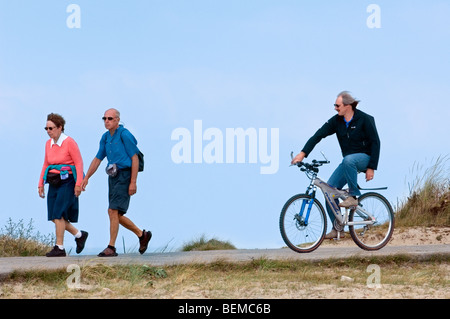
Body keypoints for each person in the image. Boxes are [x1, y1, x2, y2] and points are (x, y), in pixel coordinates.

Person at [291, 91, 381, 239]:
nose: (335, 108)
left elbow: (376, 143)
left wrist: (371, 167)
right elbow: (318, 135)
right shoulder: (336, 121)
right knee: (329, 191)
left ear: (348, 106)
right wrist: (303, 153)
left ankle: (353, 196)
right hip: (348, 163)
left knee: (349, 160)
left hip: (365, 158)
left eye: (337, 105)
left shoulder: (364, 119)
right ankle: (338, 228)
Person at [81, 108, 151, 257]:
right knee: (115, 214)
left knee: (113, 211)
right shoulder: (105, 137)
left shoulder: (125, 135)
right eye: (104, 118)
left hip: (125, 175)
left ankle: (111, 247)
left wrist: (133, 182)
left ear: (117, 120)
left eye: (110, 118)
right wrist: (86, 177)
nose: (107, 121)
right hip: (113, 176)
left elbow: (134, 159)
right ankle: (141, 235)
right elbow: (98, 159)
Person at [38, 113, 88, 257]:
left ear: (60, 128)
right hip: (53, 180)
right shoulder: (48, 144)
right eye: (46, 128)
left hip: (68, 180)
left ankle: (59, 247)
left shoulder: (69, 142)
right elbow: (46, 164)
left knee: (59, 213)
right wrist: (40, 183)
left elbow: (78, 163)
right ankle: (79, 235)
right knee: (54, 215)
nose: (48, 131)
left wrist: (78, 184)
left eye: (51, 128)